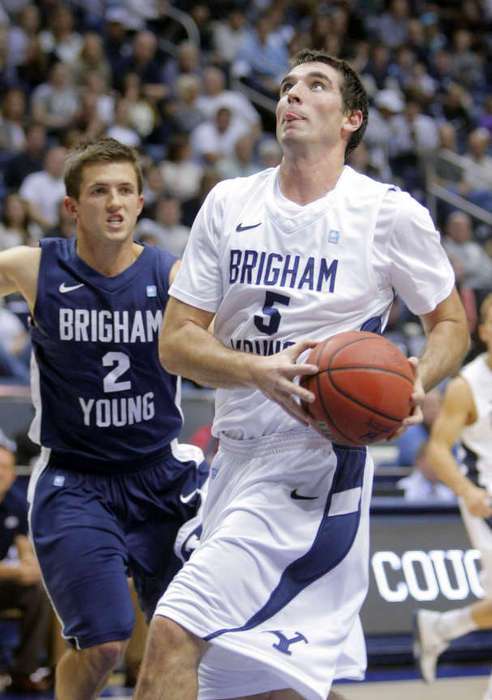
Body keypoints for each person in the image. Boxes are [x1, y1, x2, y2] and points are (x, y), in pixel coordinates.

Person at [134, 49, 469, 700]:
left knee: (174, 635)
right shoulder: (230, 204)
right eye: (286, 85)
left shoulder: (386, 212)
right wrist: (256, 370)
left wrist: (417, 379)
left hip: (316, 472)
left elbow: (450, 322)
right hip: (234, 462)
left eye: (314, 86)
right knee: (257, 685)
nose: (291, 94)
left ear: (351, 118)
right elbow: (175, 344)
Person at [0, 137, 208, 700]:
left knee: (183, 639)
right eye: (98, 192)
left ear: (141, 204)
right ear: (72, 207)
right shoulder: (35, 267)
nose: (114, 203)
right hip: (77, 483)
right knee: (102, 647)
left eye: (125, 191)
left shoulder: (173, 276)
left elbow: (238, 339)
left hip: (161, 478)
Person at [414, 293, 492, 700]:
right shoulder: (468, 386)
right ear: (483, 330)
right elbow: (438, 449)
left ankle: (441, 628)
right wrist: (467, 491)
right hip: (487, 504)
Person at [0, 429, 52, 693]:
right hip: (5, 577)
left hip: (5, 582)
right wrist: (17, 572)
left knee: (40, 592)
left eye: (7, 468)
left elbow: (25, 550)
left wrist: (30, 568)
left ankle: (23, 670)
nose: (2, 473)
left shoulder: (15, 503)